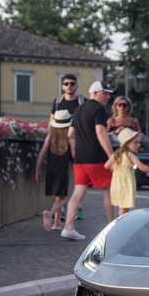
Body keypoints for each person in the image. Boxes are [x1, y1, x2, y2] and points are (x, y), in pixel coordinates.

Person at [61, 81, 116, 241]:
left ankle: (68, 227)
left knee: (78, 193)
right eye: (105, 93)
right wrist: (111, 154)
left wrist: (84, 138)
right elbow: (100, 131)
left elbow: (70, 133)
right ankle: (112, 226)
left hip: (80, 159)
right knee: (108, 190)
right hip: (96, 157)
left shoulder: (78, 110)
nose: (108, 96)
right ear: (95, 93)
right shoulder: (98, 109)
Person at [105, 129, 149, 216]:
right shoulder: (130, 155)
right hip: (126, 185)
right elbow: (142, 167)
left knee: (123, 207)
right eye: (135, 143)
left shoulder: (117, 154)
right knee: (124, 208)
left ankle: (122, 223)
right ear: (127, 144)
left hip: (118, 184)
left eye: (138, 142)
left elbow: (106, 166)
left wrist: (118, 167)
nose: (138, 145)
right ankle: (122, 225)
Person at [51, 74, 86, 220]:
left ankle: (77, 207)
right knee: (61, 175)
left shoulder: (82, 102)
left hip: (78, 142)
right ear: (62, 86)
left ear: (76, 86)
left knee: (78, 176)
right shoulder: (58, 102)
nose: (69, 86)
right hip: (60, 143)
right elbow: (51, 120)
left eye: (72, 83)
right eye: (66, 84)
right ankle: (62, 209)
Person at [35, 110, 74, 231]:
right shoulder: (70, 138)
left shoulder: (50, 137)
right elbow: (74, 154)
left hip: (50, 170)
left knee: (58, 196)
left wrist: (37, 170)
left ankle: (57, 224)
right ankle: (50, 213)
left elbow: (42, 153)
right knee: (64, 198)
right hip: (62, 170)